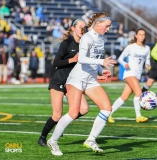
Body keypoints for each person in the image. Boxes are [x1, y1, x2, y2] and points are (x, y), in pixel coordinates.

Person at [47, 12, 116, 156]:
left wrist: (100, 71)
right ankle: (53, 141)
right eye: (107, 26)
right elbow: (83, 59)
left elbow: (94, 59)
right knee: (73, 112)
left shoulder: (101, 39)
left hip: (90, 79)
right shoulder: (86, 37)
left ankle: (91, 140)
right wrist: (101, 62)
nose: (108, 29)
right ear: (98, 24)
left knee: (107, 108)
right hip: (76, 79)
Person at [37, 18, 87, 146]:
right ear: (73, 28)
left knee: (84, 108)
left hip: (74, 82)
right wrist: (72, 60)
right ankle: (42, 137)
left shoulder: (85, 44)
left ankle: (61, 124)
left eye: (84, 27)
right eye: (80, 26)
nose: (82, 29)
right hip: (59, 80)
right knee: (57, 114)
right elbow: (56, 62)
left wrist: (99, 73)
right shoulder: (66, 43)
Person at [108, 28, 151, 123]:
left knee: (124, 97)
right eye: (140, 34)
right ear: (136, 36)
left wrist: (148, 65)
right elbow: (120, 59)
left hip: (137, 75)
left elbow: (147, 60)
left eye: (143, 35)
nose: (142, 36)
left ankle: (108, 114)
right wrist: (124, 64)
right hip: (129, 73)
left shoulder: (147, 48)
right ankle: (138, 116)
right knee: (139, 93)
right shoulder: (131, 47)